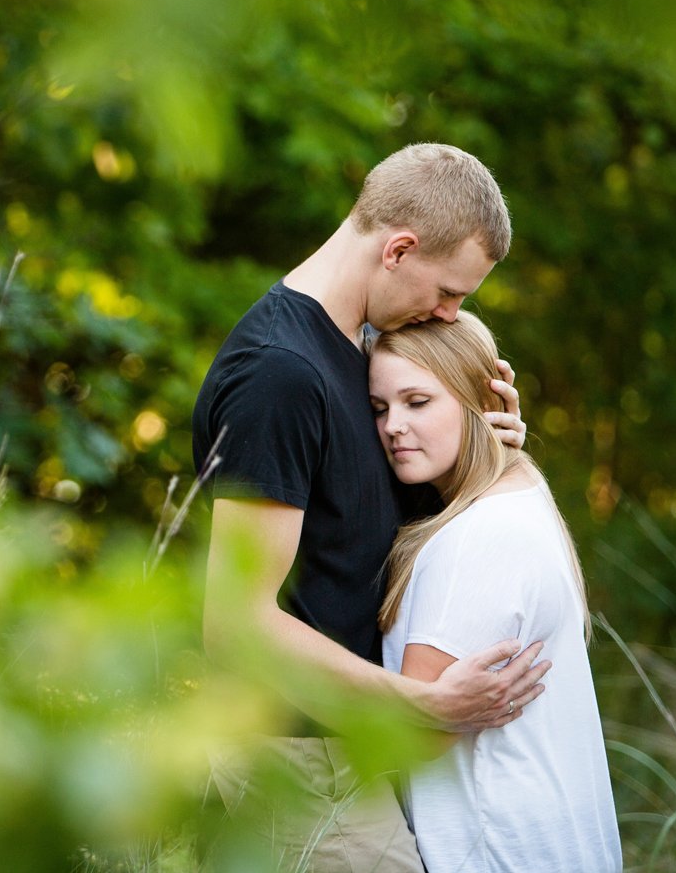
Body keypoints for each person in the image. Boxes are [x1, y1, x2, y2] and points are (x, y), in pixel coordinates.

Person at [193, 143, 550, 871]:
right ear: (400, 248)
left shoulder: (355, 357)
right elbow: (235, 622)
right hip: (292, 758)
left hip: (339, 752)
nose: (448, 313)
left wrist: (481, 457)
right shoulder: (280, 374)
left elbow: (361, 541)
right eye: (450, 291)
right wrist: (425, 705)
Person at [371, 312, 621, 872]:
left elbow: (415, 742)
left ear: (480, 398)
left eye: (417, 401)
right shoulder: (523, 492)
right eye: (380, 408)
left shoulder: (474, 539)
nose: (392, 426)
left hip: (497, 848)